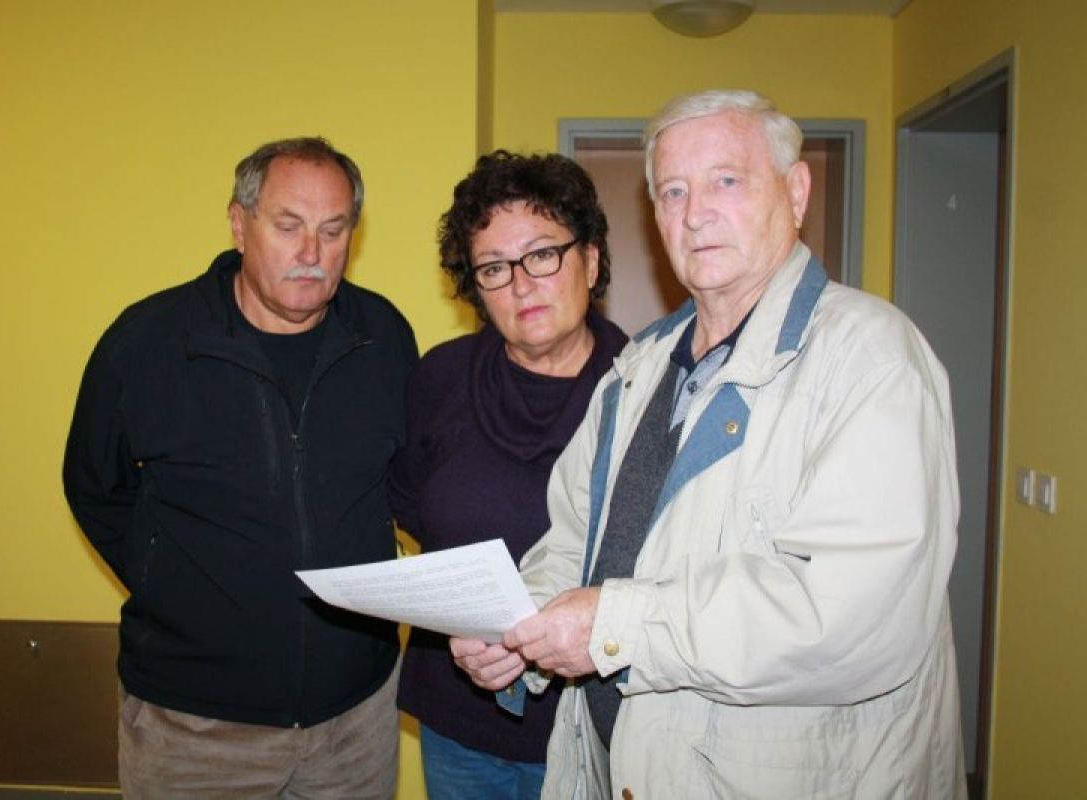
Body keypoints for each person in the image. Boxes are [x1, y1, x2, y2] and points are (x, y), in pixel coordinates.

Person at [452, 90, 967, 798]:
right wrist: (517, 631)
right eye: (673, 191)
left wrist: (615, 624)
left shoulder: (871, 358)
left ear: (795, 192)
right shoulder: (638, 368)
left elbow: (853, 619)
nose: (695, 213)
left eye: (726, 180)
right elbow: (575, 542)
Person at [63, 137, 418, 799]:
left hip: (356, 718)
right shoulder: (148, 341)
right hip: (194, 728)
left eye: (333, 230)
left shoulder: (384, 335)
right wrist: (170, 584)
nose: (312, 252)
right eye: (288, 226)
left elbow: (406, 479)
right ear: (239, 223)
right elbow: (94, 487)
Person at [390, 151, 628, 799]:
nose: (521, 285)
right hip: (458, 722)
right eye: (495, 267)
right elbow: (413, 509)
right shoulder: (439, 378)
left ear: (591, 261)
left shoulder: (643, 389)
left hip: (595, 725)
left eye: (542, 254)